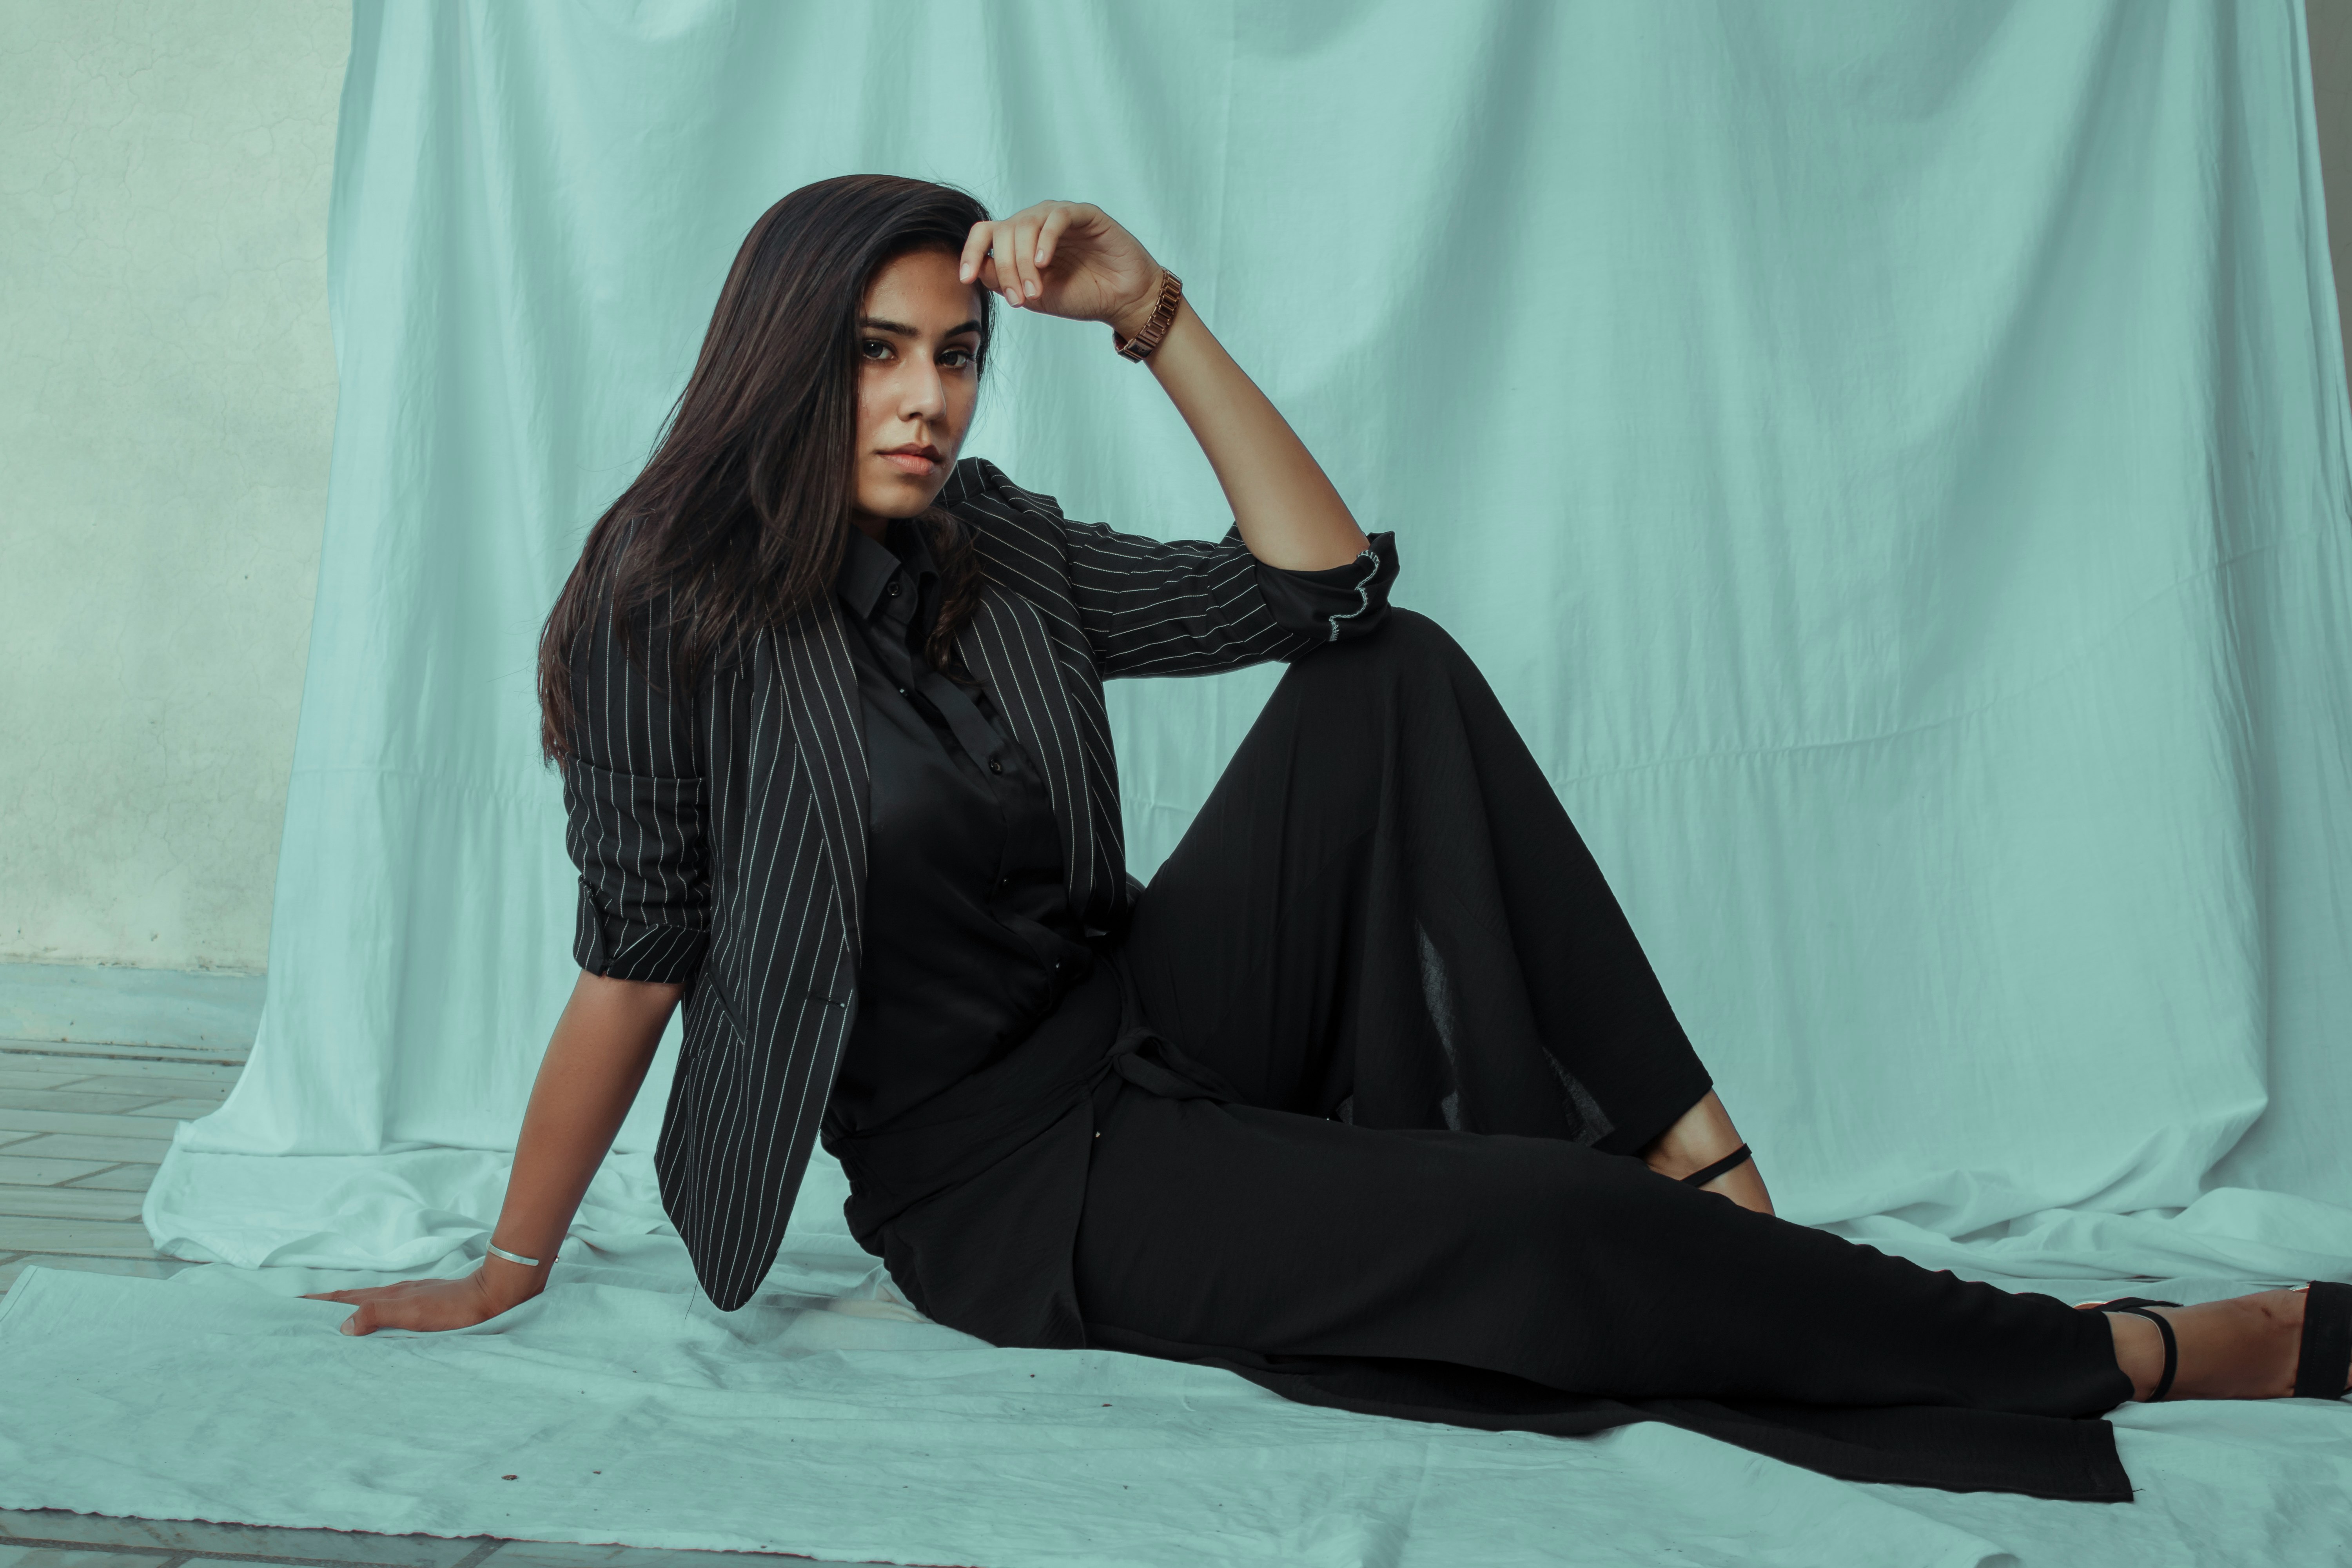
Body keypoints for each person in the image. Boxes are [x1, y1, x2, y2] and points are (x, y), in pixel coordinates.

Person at [307, 175, 2349, 1501]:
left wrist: (1157, 313)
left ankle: (1717, 1181)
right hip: (1012, 1192)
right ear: (785, 356)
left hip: (1154, 1022)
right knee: (1542, 1234)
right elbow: (636, 954)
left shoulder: (991, 541)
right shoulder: (674, 604)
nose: (926, 399)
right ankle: (2133, 1352)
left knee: (1402, 673)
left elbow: (1320, 599)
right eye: (877, 356)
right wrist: (510, 1259)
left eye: (956, 352)